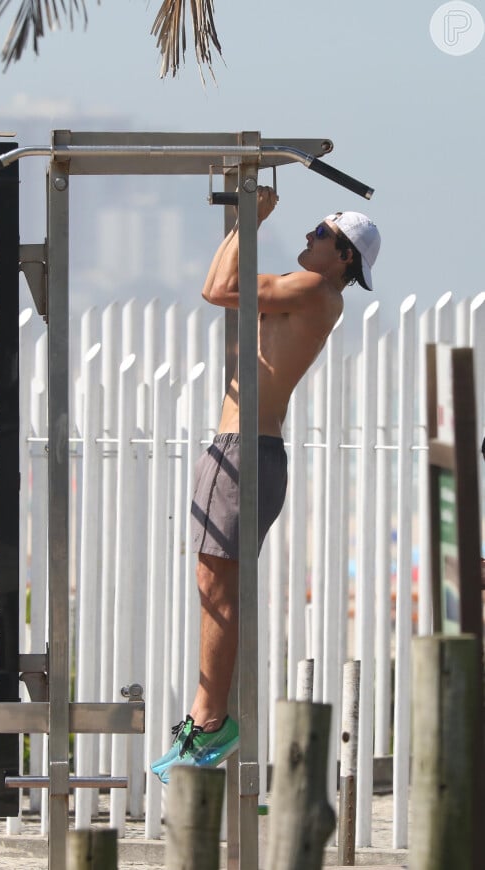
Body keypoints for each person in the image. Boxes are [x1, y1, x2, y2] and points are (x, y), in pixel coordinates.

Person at [151, 188, 381, 783]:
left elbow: (217, 289)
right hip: (243, 447)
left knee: (217, 589)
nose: (307, 238)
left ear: (345, 258)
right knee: (211, 584)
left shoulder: (314, 291)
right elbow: (228, 287)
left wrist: (248, 220)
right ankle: (206, 719)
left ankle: (209, 721)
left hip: (247, 450)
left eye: (320, 234)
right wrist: (243, 225)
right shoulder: (306, 289)